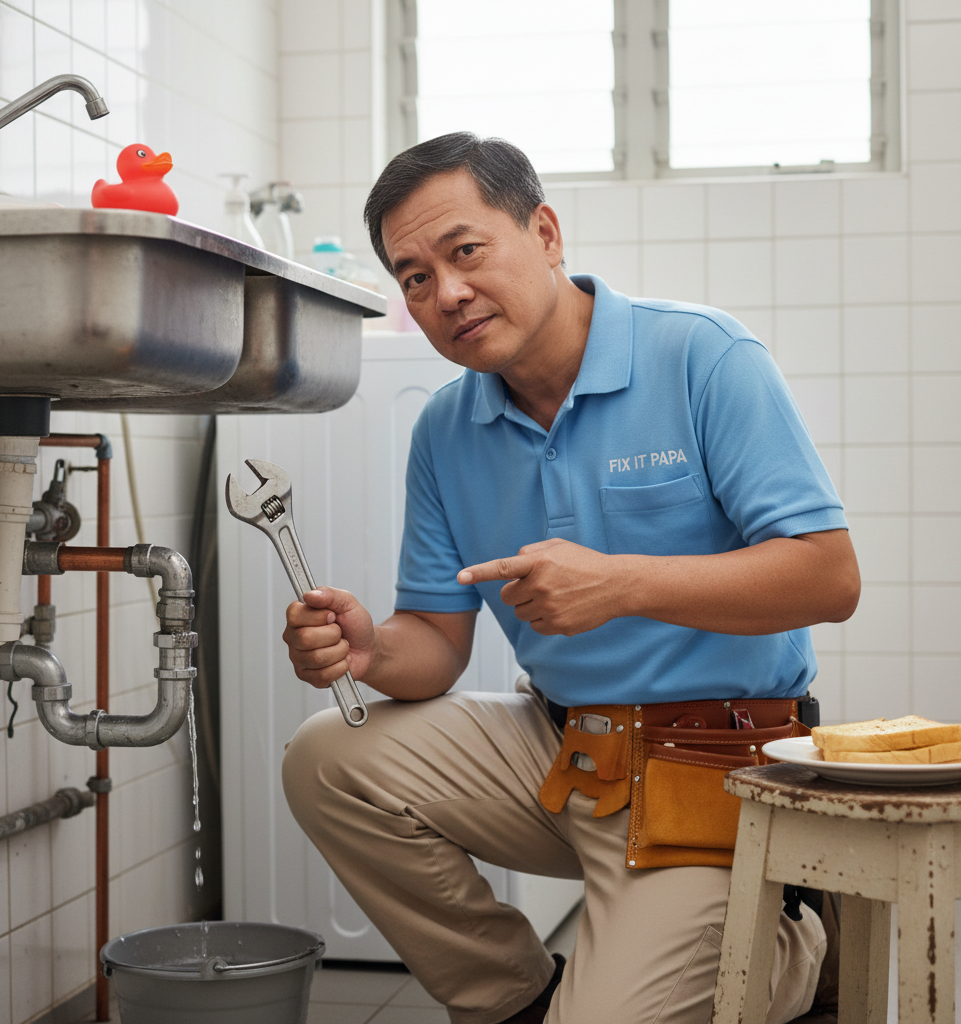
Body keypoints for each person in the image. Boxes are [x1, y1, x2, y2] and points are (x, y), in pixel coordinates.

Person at [281, 132, 860, 1024]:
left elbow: (830, 578)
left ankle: (792, 937)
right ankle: (513, 999)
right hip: (564, 754)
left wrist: (625, 583)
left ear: (545, 233)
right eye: (414, 278)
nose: (447, 293)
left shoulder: (703, 356)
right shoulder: (445, 427)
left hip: (716, 765)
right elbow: (434, 645)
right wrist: (369, 648)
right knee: (328, 756)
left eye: (465, 251)